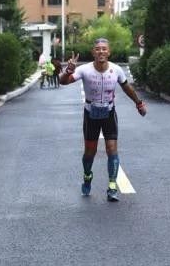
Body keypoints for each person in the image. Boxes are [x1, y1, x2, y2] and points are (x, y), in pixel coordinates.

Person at [59, 38, 147, 201]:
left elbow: (126, 87)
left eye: (104, 49)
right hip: (91, 114)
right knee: (90, 152)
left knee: (112, 149)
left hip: (109, 112)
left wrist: (138, 103)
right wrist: (69, 70)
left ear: (109, 52)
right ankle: (87, 175)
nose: (101, 52)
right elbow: (63, 82)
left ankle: (112, 186)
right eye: (98, 49)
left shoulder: (116, 70)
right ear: (93, 52)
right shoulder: (84, 70)